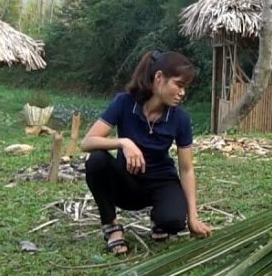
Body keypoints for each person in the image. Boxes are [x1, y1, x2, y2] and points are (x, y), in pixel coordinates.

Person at [82, 50, 212, 255]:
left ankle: (160, 219)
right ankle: (112, 228)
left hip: (161, 182)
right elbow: (87, 142)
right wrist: (123, 142)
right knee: (96, 160)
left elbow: (186, 169)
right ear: (159, 77)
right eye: (179, 85)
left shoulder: (180, 119)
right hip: (129, 183)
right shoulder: (124, 103)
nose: (182, 93)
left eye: (185, 87)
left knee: (174, 221)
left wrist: (193, 217)